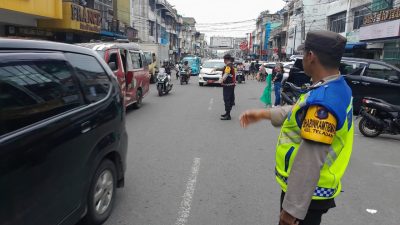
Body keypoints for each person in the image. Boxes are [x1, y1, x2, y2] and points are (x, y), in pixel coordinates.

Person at [239, 31, 353, 225]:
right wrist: (264, 114)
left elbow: (309, 161)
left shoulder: (323, 103)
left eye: (303, 54)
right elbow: (299, 111)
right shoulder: (334, 87)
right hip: (311, 193)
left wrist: (292, 210)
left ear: (311, 56)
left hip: (307, 194)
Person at [220, 54, 236, 120]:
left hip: (228, 85)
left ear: (226, 60)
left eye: (224, 60)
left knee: (227, 99)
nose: (224, 61)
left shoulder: (229, 66)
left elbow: (226, 73)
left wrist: (222, 79)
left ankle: (228, 115)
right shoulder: (230, 65)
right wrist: (216, 69)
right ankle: (227, 113)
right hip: (230, 85)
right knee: (229, 99)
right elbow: (225, 70)